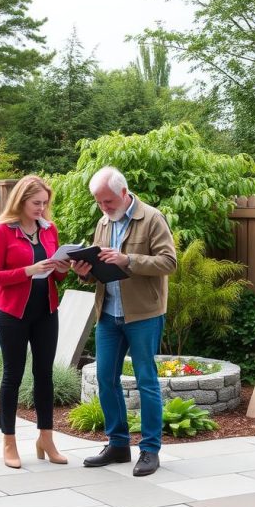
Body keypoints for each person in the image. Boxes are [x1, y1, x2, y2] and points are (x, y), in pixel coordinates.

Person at [72, 166, 176, 477]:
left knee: (146, 381)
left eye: (107, 201)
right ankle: (118, 445)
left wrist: (128, 260)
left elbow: (169, 262)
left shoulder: (152, 218)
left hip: (143, 314)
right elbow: (99, 270)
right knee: (105, 379)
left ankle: (149, 450)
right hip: (108, 314)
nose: (103, 208)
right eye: (99, 203)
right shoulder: (103, 223)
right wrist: (85, 273)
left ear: (123, 192)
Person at [0, 175, 70, 469]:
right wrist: (29, 270)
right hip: (12, 314)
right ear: (21, 201)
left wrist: (62, 268)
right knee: (13, 375)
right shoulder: (2, 232)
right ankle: (9, 441)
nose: (41, 208)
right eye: (36, 203)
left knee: (44, 374)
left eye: (45, 203)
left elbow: (58, 277)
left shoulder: (49, 230)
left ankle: (46, 438)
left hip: (46, 311)